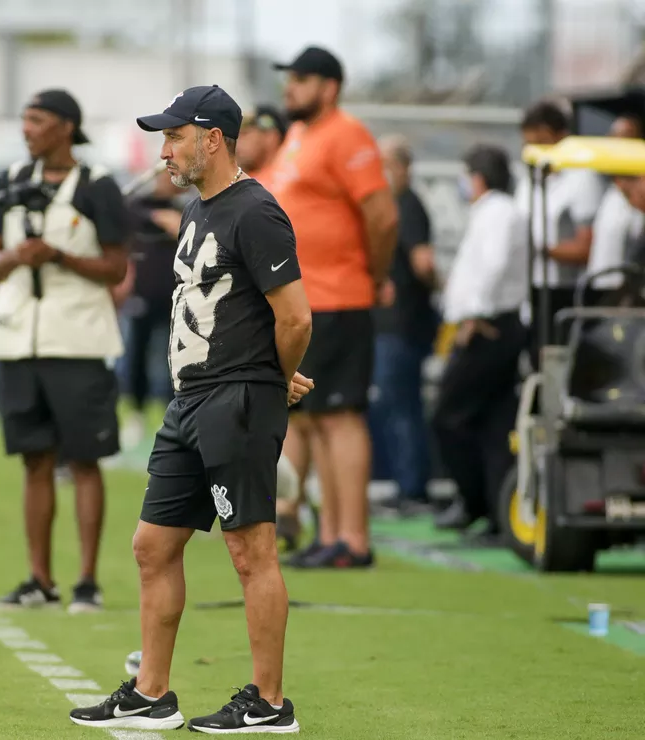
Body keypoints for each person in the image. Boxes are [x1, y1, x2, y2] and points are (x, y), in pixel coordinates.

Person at [70, 85, 313, 734]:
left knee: (249, 549)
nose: (165, 150)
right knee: (153, 545)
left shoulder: (255, 211)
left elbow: (295, 316)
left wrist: (271, 379)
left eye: (175, 136)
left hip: (236, 401)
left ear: (212, 139)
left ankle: (268, 703)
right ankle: (152, 693)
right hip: (192, 399)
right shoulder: (201, 209)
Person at [0, 90, 128, 613]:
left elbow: (116, 268)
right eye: (23, 119)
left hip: (79, 339)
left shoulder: (98, 187)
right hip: (18, 337)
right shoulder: (9, 182)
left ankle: (87, 580)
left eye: (37, 120)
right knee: (34, 460)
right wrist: (18, 256)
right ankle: (39, 579)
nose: (26, 129)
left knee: (85, 460)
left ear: (66, 127)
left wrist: (60, 257)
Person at [268, 46, 399, 568]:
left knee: (341, 417)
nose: (290, 88)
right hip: (307, 299)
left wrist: (375, 275)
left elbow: (383, 218)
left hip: (341, 296)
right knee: (319, 418)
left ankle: (355, 539)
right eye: (289, 78)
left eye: (301, 79)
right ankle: (331, 534)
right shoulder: (300, 135)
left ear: (330, 86)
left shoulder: (348, 133)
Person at [433, 145, 527, 539]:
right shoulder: (492, 211)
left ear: (478, 176)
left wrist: (474, 314)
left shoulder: (499, 212)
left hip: (488, 327)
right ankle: (494, 510)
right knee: (493, 424)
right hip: (492, 324)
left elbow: (492, 265)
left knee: (446, 415)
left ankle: (472, 501)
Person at [370, 134, 439, 516]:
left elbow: (424, 262)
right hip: (393, 325)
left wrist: (424, 290)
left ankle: (412, 488)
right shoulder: (397, 206)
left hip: (403, 325)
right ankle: (406, 485)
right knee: (397, 405)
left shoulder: (407, 207)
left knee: (402, 407)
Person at [515, 100, 606, 363]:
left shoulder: (581, 179)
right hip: (531, 288)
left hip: (564, 290)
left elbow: (586, 246)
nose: (536, 151)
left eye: (542, 142)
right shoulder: (529, 179)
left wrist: (543, 250)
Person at [120, 166, 186, 450]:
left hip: (176, 298)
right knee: (137, 357)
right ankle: (135, 415)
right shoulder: (139, 206)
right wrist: (159, 217)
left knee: (174, 360)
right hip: (142, 296)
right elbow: (129, 216)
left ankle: (172, 416)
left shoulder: (188, 207)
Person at [587, 116, 645, 290]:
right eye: (614, 136)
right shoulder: (607, 187)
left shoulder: (639, 185)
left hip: (630, 289)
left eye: (625, 137)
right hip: (602, 285)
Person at [235, 105, 288, 182]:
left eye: (244, 134)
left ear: (269, 137)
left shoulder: (288, 177)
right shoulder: (244, 180)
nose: (238, 142)